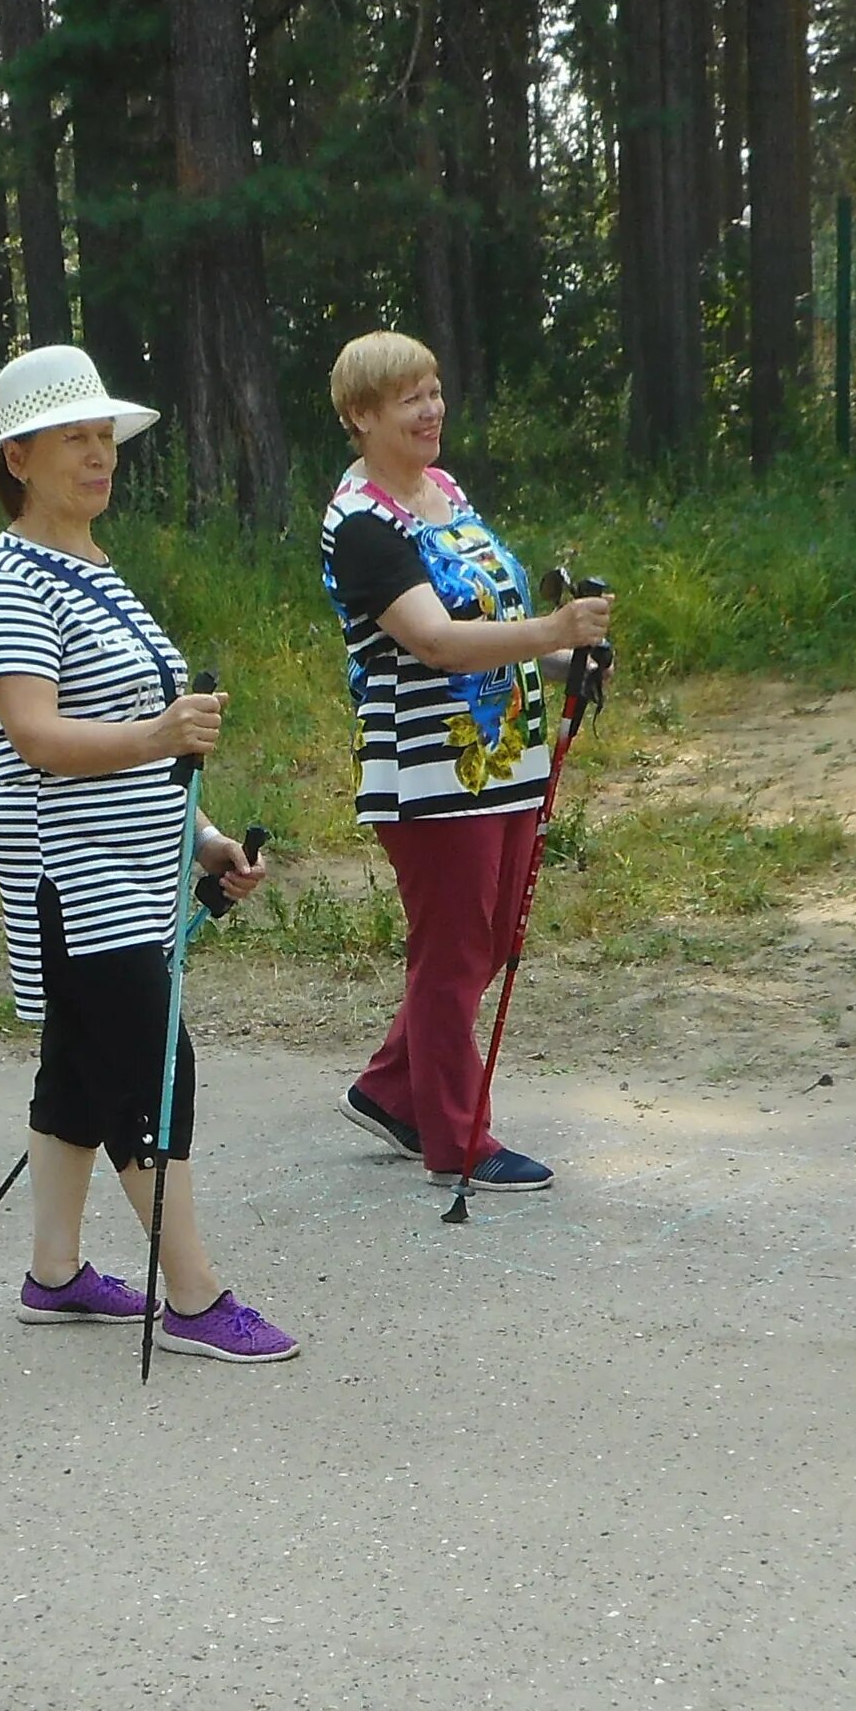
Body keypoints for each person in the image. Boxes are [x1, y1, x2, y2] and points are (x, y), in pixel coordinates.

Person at [0, 346, 296, 1364]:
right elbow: (38, 737)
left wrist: (207, 840)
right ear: (19, 457)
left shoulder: (95, 565)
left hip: (135, 861)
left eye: (107, 438)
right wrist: (160, 737)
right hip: (72, 867)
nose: (101, 456)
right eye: (77, 439)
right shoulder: (11, 580)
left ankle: (52, 1274)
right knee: (148, 1066)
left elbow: (143, 744)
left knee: (78, 1069)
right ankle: (191, 1296)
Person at [317, 330, 612, 1191]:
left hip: (503, 754)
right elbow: (438, 642)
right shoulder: (362, 525)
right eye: (410, 397)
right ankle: (457, 1139)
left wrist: (563, 663)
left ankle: (389, 1090)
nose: (432, 408)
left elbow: (490, 623)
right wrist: (554, 631)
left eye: (436, 389)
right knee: (450, 953)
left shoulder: (442, 489)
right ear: (361, 417)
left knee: (489, 942)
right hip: (429, 769)